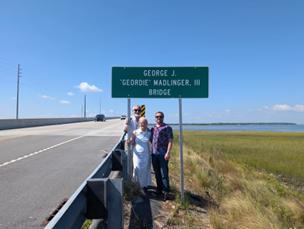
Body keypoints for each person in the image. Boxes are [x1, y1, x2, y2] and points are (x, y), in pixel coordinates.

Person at [150, 111, 173, 200]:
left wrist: (168, 152)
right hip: (154, 154)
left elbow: (170, 140)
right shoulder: (153, 128)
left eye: (160, 116)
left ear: (163, 117)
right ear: (155, 118)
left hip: (163, 154)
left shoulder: (167, 128)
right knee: (157, 173)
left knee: (164, 173)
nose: (158, 118)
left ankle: (166, 192)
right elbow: (151, 139)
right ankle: (159, 189)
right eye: (157, 117)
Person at [129, 117, 151, 196]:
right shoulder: (135, 132)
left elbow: (153, 141)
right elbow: (131, 141)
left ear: (146, 124)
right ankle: (137, 187)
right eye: (141, 122)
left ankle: (142, 186)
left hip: (146, 153)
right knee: (137, 170)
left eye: (144, 122)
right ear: (138, 124)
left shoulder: (149, 132)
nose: (142, 124)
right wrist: (128, 141)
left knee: (145, 170)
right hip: (137, 154)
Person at [124, 105, 141, 171]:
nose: (137, 111)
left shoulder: (142, 120)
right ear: (133, 111)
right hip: (130, 142)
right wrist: (127, 123)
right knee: (129, 160)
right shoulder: (129, 119)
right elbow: (125, 130)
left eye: (139, 110)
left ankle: (136, 178)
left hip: (139, 143)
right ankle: (129, 178)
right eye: (136, 110)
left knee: (137, 160)